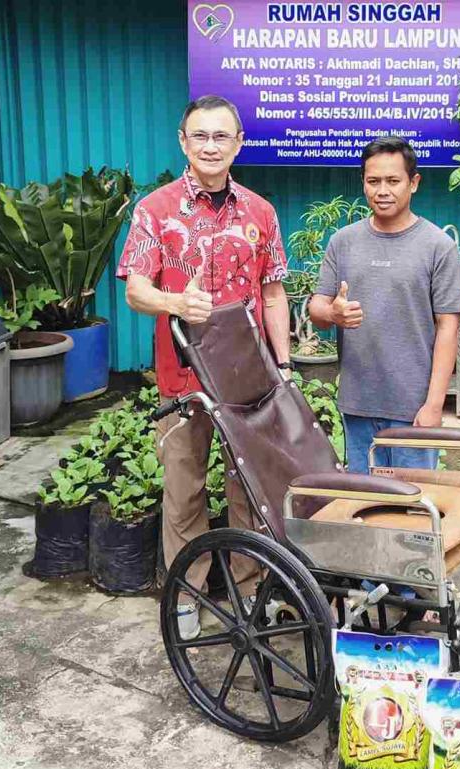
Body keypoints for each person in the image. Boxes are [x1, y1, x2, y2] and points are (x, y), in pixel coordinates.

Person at [117, 95, 290, 641]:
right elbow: (136, 291)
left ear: (238, 143)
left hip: (249, 383)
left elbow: (274, 294)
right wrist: (174, 303)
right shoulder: (156, 209)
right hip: (182, 380)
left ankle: (248, 590)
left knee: (249, 490)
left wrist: (283, 367)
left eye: (222, 136)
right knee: (185, 489)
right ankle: (186, 595)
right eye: (200, 136)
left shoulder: (261, 212)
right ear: (183, 141)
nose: (210, 146)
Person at [308, 136, 460, 475]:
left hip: (413, 409)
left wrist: (435, 404)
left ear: (414, 183)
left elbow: (448, 327)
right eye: (373, 181)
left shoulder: (438, 247)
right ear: (363, 183)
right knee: (366, 508)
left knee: (413, 509)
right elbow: (316, 307)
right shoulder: (343, 242)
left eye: (393, 181)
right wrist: (332, 313)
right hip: (358, 404)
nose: (383, 190)